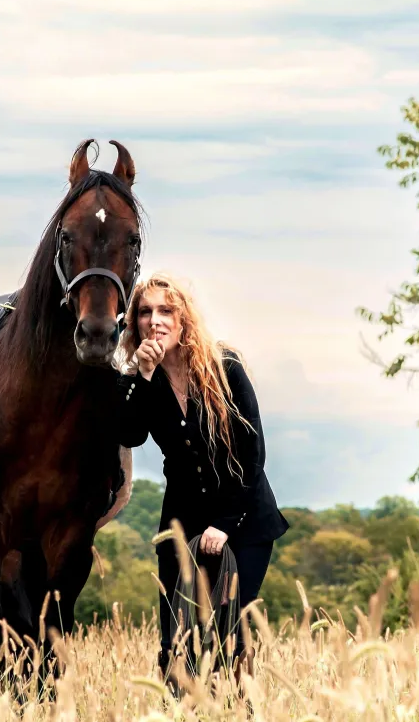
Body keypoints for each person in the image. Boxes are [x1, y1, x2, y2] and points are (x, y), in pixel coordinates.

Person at [116, 272, 289, 683]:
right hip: (181, 521)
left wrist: (225, 524)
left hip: (244, 518)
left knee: (231, 639)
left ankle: (235, 708)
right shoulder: (138, 380)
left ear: (183, 319)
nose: (154, 320)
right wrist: (141, 377)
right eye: (145, 312)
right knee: (176, 645)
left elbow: (253, 454)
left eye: (165, 310)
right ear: (135, 322)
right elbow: (130, 434)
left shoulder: (224, 367)